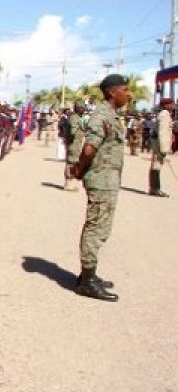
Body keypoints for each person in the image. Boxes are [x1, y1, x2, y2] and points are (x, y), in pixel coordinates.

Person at [69, 74, 130, 302]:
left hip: (108, 180)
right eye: (124, 89)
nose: (128, 94)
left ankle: (88, 275)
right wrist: (80, 170)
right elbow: (88, 149)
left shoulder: (111, 115)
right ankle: (87, 281)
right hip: (101, 180)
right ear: (112, 92)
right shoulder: (102, 115)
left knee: (101, 227)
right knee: (96, 228)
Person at [149, 98, 174, 197]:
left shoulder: (163, 114)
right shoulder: (164, 115)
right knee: (156, 166)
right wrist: (164, 149)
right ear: (166, 105)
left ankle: (154, 188)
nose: (173, 106)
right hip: (159, 146)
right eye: (171, 104)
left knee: (156, 166)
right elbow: (162, 132)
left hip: (158, 144)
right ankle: (155, 189)